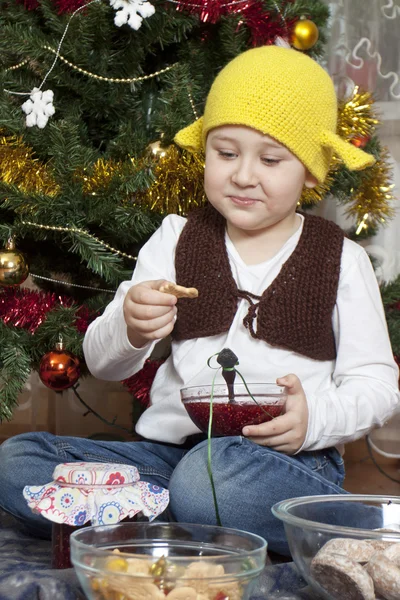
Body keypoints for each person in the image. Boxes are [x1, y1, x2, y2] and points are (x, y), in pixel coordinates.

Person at [0, 46, 399, 556]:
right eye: (225, 153)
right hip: (167, 458)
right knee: (21, 460)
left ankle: (338, 522)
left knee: (216, 480)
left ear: (312, 173)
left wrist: (314, 420)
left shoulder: (340, 258)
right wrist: (130, 325)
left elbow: (377, 384)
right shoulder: (175, 238)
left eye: (271, 159)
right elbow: (102, 365)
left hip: (281, 462)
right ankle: (200, 522)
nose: (243, 175)